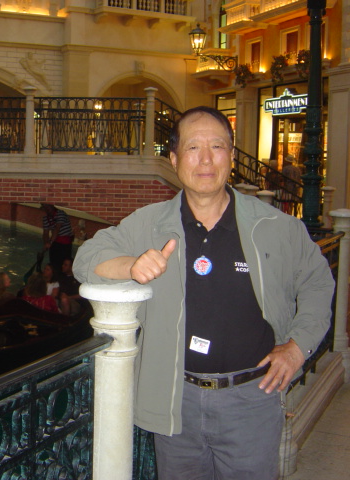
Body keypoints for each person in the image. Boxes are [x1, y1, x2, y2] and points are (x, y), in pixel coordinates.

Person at [73, 106, 334, 480]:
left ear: (232, 155)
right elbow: (86, 258)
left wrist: (297, 348)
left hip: (252, 398)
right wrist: (130, 266)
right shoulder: (149, 224)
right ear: (175, 159)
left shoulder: (275, 226)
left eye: (217, 146)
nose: (206, 159)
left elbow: (317, 282)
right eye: (193, 147)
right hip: (176, 400)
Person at [41, 203, 74, 272]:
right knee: (54, 264)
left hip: (65, 244)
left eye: (48, 206)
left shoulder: (61, 214)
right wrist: (46, 243)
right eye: (44, 207)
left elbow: (57, 228)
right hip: (54, 243)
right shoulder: (45, 218)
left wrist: (50, 242)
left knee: (64, 264)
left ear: (52, 205)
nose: (47, 209)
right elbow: (45, 233)